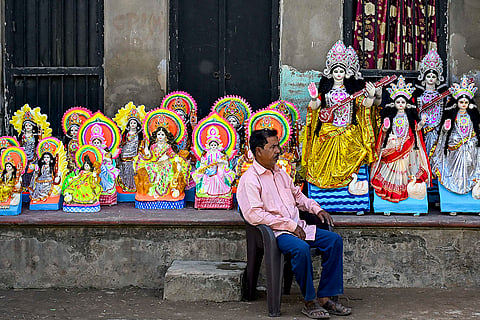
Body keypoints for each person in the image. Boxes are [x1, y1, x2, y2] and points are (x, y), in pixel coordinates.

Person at [237, 129, 351, 319]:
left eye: (277, 146)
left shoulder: (280, 173)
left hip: (298, 227)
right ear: (258, 151)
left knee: (334, 240)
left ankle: (325, 297)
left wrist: (317, 209)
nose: (278, 151)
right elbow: (254, 215)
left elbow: (299, 197)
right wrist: (288, 225)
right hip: (276, 233)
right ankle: (309, 301)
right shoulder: (250, 179)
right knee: (300, 249)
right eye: (272, 147)